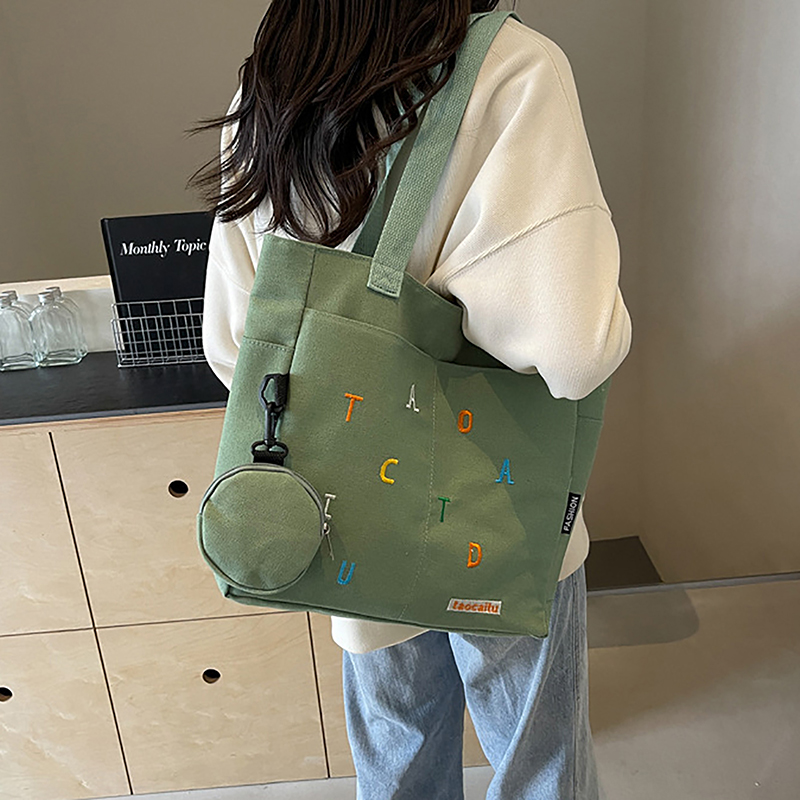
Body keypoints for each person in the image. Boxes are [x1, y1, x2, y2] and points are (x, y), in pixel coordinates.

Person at [195, 2, 631, 798]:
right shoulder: (512, 66)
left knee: (399, 763)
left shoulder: (275, 77)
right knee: (538, 765)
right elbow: (574, 350)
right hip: (500, 503)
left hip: (345, 505)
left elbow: (235, 347)